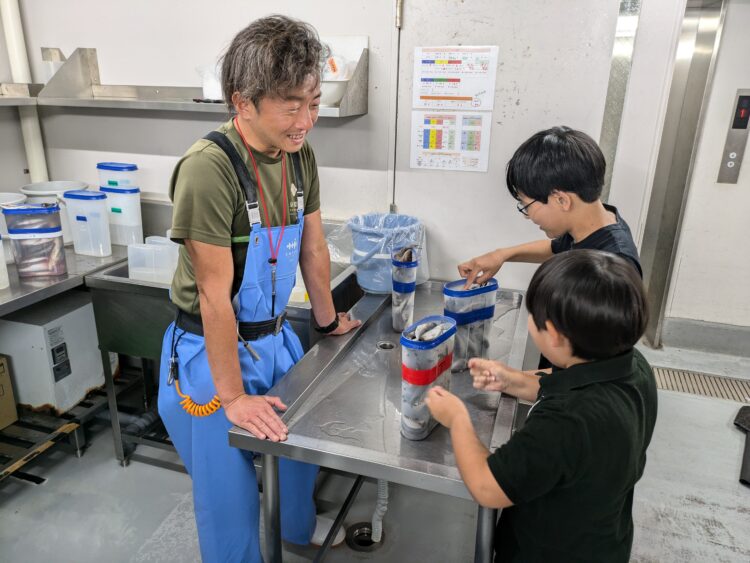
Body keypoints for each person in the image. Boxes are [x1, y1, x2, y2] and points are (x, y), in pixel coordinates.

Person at [157, 15, 360, 562]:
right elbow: (212, 294)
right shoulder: (209, 168)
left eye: (314, 102)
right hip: (209, 353)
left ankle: (296, 530)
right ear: (242, 102)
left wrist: (326, 322)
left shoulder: (300, 155)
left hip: (272, 337)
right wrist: (234, 396)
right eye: (291, 105)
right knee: (229, 491)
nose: (306, 120)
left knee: (297, 453)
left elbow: (314, 248)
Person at [426, 250, 657, 562]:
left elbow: (487, 487)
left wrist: (457, 419)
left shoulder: (565, 421)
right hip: (603, 540)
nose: (531, 322)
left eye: (534, 318)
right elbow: (571, 379)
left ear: (556, 337)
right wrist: (514, 381)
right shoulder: (634, 366)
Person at [458, 126, 642, 288]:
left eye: (526, 205)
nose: (527, 215)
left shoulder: (614, 269)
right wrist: (501, 255)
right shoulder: (589, 223)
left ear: (561, 200)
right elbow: (555, 248)